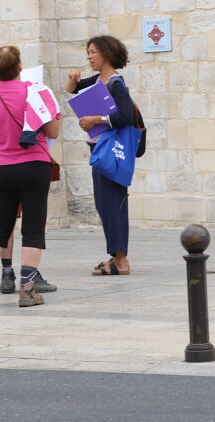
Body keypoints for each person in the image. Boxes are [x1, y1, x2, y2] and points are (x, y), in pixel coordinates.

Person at [0, 46, 60, 307]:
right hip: (34, 165)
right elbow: (53, 131)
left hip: (3, 169)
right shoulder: (35, 91)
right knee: (33, 228)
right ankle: (27, 289)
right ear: (20, 67)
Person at [65, 35, 136, 276]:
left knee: (112, 204)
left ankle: (121, 261)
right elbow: (74, 89)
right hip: (100, 151)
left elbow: (126, 116)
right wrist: (72, 80)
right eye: (88, 52)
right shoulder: (98, 80)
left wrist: (97, 119)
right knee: (104, 204)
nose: (89, 56)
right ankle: (116, 256)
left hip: (110, 153)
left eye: (93, 52)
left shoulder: (116, 83)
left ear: (106, 53)